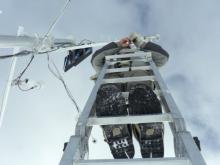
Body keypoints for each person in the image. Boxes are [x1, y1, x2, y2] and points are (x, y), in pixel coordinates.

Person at [91, 33, 169, 159]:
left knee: (140, 91)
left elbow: (163, 57)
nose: (126, 50)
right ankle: (117, 130)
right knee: (109, 90)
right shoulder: (109, 59)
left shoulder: (143, 55)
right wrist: (117, 45)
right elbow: (96, 59)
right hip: (114, 78)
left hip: (139, 77)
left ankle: (148, 128)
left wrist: (141, 43)